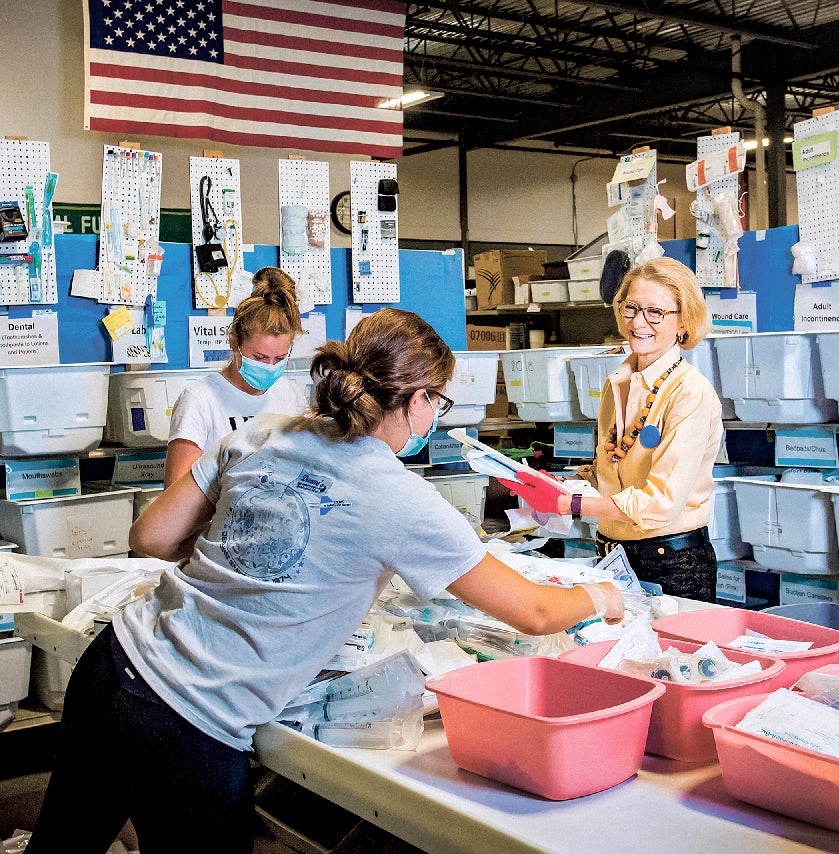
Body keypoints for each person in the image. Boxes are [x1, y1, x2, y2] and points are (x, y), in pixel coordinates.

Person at [26, 309, 623, 854]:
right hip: (194, 717)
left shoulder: (264, 431)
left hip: (114, 665)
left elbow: (151, 537)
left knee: (61, 846)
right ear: (416, 400)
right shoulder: (402, 498)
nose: (434, 417)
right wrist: (601, 594)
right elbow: (534, 613)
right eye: (437, 402)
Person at [502, 258, 724, 602]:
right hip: (612, 553)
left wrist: (571, 505)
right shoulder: (618, 381)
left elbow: (660, 504)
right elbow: (611, 468)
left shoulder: (689, 393)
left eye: (655, 312)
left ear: (683, 320)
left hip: (671, 562)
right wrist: (563, 484)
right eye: (631, 307)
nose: (638, 322)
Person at [163, 267, 308, 486]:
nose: (269, 367)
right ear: (234, 342)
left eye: (279, 359)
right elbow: (175, 494)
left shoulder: (291, 395)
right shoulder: (199, 400)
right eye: (259, 358)